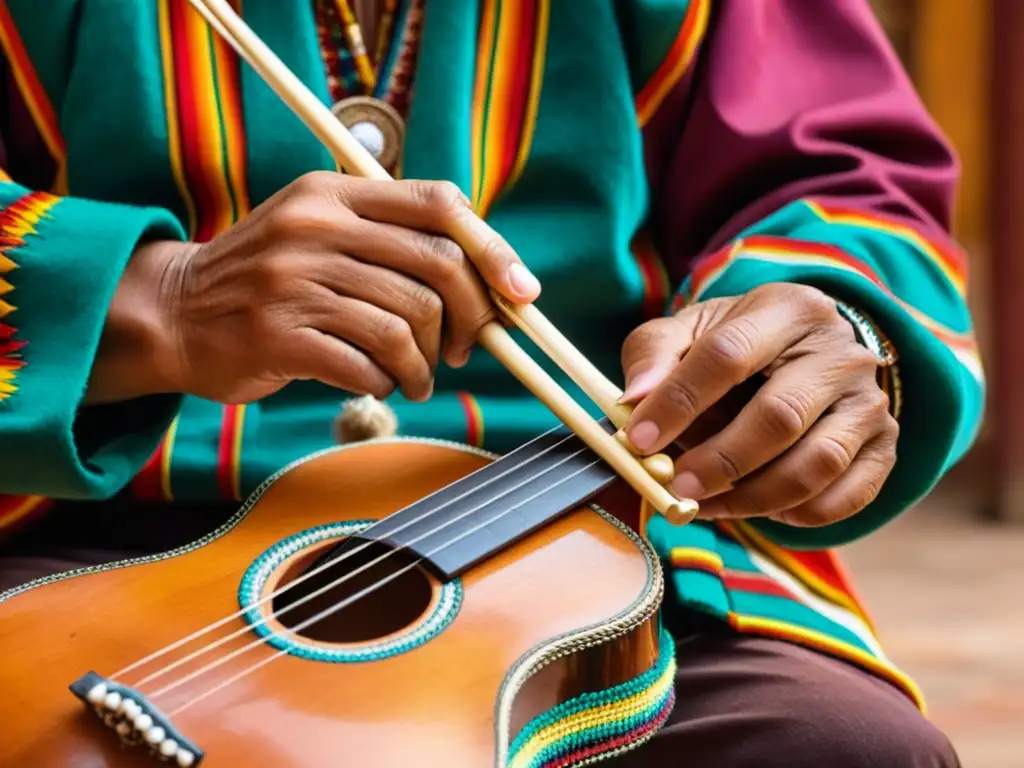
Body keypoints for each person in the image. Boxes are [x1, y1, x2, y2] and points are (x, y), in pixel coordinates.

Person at [0, 0, 981, 765]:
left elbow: (840, 180)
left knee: (841, 749)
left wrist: (827, 329)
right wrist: (158, 300)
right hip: (88, 518)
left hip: (602, 520)